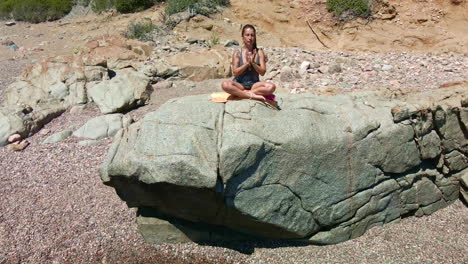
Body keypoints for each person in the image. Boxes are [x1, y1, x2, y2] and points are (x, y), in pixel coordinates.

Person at [221, 24, 276, 102]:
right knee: (225, 85)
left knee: (271, 87)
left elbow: (263, 72)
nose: (250, 38)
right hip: (240, 84)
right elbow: (235, 72)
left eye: (252, 35)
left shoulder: (259, 52)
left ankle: (243, 94)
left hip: (254, 85)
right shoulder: (237, 53)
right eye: (247, 35)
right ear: (243, 37)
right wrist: (246, 64)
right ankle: (251, 96)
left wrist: (253, 63)